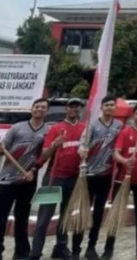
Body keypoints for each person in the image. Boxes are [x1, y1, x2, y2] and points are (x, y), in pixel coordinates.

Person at [0, 98, 50, 260]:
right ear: (31, 109)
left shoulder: (47, 132)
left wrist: (34, 170)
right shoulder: (17, 128)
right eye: (37, 107)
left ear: (46, 111)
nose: (39, 110)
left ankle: (21, 252)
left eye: (43, 108)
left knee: (22, 218)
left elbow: (44, 156)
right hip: (6, 180)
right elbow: (1, 152)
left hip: (27, 181)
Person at [30, 98, 86, 260]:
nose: (74, 109)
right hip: (54, 178)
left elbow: (86, 151)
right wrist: (54, 144)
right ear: (66, 109)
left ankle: (61, 247)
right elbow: (44, 155)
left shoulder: (84, 129)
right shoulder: (56, 128)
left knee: (65, 217)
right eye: (71, 107)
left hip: (73, 178)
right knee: (44, 218)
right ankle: (35, 253)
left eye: (77, 107)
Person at [73, 95, 123, 260]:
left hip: (105, 175)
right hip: (88, 175)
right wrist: (82, 150)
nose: (110, 107)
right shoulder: (92, 125)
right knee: (83, 213)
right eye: (107, 105)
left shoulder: (118, 125)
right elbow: (82, 144)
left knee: (98, 214)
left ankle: (91, 247)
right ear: (101, 107)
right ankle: (75, 249)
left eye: (112, 105)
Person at [102, 103, 137, 260]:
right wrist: (125, 161)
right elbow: (116, 154)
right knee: (116, 214)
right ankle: (108, 249)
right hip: (123, 179)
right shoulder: (125, 133)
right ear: (133, 115)